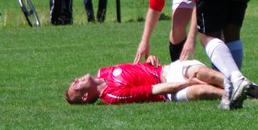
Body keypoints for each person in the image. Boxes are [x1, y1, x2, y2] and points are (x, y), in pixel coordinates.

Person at [65, 55, 224, 105]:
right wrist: (187, 83)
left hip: (167, 69)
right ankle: (232, 95)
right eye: (75, 86)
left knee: (203, 73)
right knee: (200, 90)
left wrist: (148, 61)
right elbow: (154, 90)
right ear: (85, 97)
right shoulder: (112, 96)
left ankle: (238, 84)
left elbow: (134, 71)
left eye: (74, 81)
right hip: (168, 91)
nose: (76, 80)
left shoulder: (103, 71)